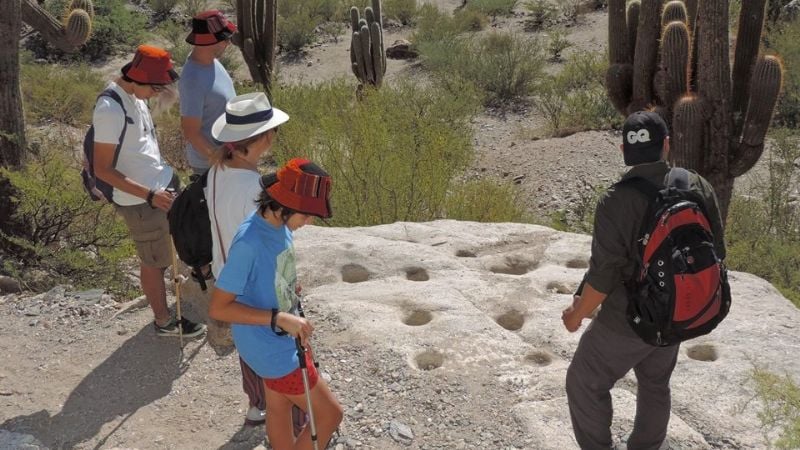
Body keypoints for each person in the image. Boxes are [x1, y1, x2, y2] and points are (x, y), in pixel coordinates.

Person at [561, 111, 725, 450]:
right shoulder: (697, 185)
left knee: (584, 382)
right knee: (655, 384)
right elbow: (718, 252)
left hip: (628, 321)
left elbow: (604, 276)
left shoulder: (615, 200)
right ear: (666, 145)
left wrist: (576, 315)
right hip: (682, 309)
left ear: (624, 150)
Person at [209, 158, 343, 450]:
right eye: (306, 215)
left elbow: (267, 276)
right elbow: (219, 308)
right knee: (330, 414)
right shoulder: (249, 242)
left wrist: (286, 287)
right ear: (284, 203)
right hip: (275, 350)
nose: (308, 222)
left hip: (269, 345)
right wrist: (278, 318)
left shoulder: (278, 225)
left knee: (279, 407)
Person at [93, 45, 206, 338]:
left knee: (173, 248)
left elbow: (142, 149)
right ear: (138, 78)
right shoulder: (109, 109)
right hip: (141, 202)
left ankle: (185, 298)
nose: (158, 93)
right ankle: (164, 321)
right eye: (156, 87)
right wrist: (150, 195)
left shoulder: (134, 96)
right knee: (153, 262)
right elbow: (102, 169)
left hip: (162, 190)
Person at [206, 91, 289, 425]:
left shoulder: (217, 171)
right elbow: (268, 237)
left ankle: (257, 404)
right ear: (262, 139)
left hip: (225, 272)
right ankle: (283, 407)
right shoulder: (254, 186)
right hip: (252, 280)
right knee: (271, 343)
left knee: (248, 344)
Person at [179, 10, 237, 176]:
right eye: (226, 39)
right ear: (212, 41)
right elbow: (191, 132)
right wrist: (221, 160)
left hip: (228, 156)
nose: (228, 43)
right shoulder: (192, 80)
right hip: (211, 165)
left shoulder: (214, 63)